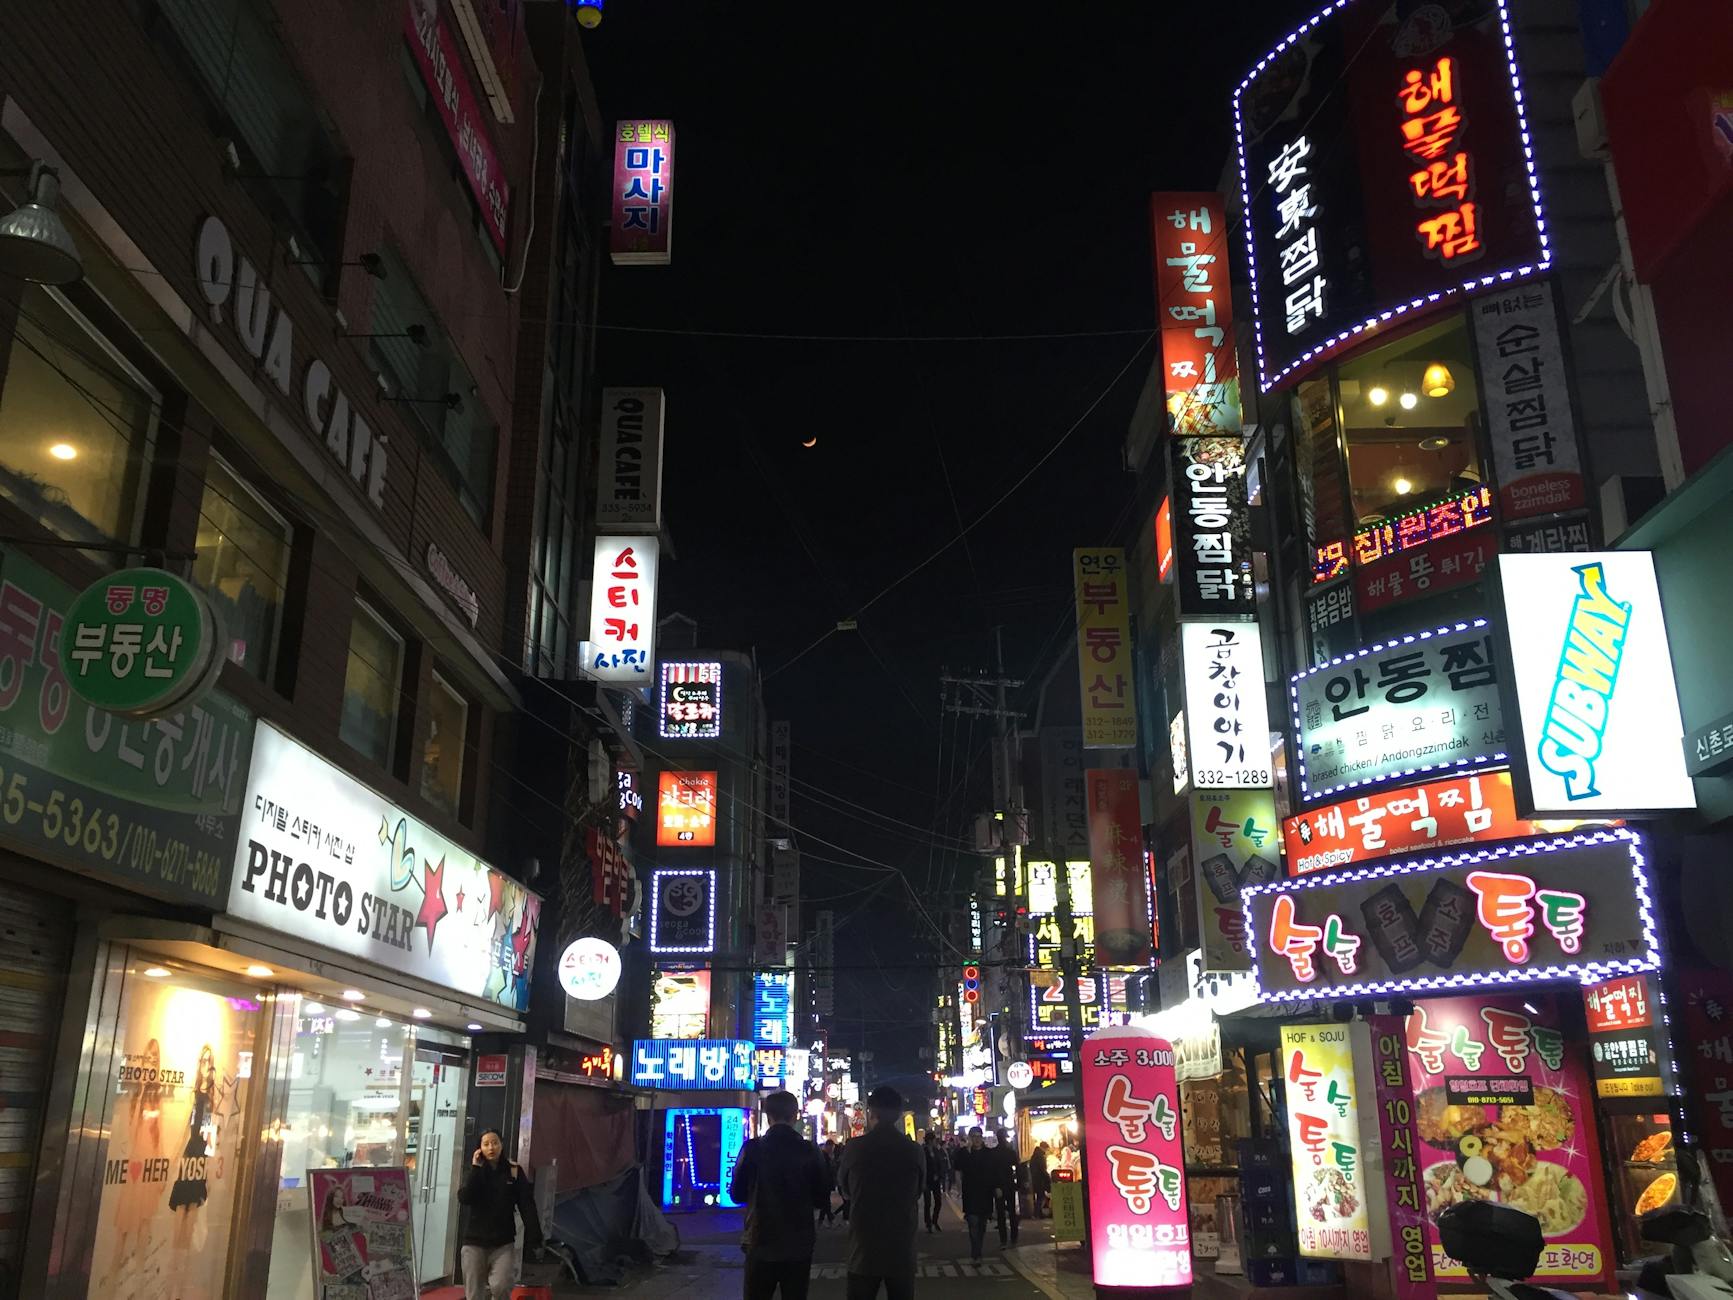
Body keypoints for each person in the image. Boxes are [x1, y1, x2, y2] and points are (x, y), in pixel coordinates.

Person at [730, 1090, 832, 1300]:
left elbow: (736, 1194)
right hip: (799, 1243)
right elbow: (822, 1197)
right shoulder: (809, 1150)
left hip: (760, 1240)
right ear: (795, 1115)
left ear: (768, 1116)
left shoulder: (752, 1148)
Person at [835, 1086, 924, 1300]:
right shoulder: (913, 1150)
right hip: (901, 1243)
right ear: (899, 1114)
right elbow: (918, 1190)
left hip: (864, 1243)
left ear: (870, 1112)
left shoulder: (855, 1148)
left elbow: (844, 1189)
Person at [457, 1129, 542, 1300]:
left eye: (495, 1143)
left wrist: (535, 1235)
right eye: (486, 1144)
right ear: (479, 1148)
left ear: (502, 1145)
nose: (491, 1148)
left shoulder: (514, 1171)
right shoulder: (474, 1172)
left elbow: (527, 1204)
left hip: (503, 1243)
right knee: (474, 1294)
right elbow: (465, 1198)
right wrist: (476, 1168)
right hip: (474, 1242)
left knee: (501, 1286)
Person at [990, 1127, 1020, 1248]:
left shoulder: (994, 1153)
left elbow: (991, 1172)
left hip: (999, 1187)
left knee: (1001, 1214)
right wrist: (1018, 1183)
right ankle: (1014, 1237)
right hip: (1010, 1185)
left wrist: (995, 1186)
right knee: (1012, 1212)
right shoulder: (1011, 1152)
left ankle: (1003, 1239)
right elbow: (1017, 1169)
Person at [921, 1131, 947, 1233]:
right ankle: (928, 1223)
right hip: (927, 1180)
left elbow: (940, 1163)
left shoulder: (937, 1151)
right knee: (927, 1203)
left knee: (938, 1202)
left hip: (936, 1180)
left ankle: (935, 1220)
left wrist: (940, 1175)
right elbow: (923, 1166)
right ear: (930, 1141)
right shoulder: (923, 1151)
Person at [1029, 1143, 1051, 1219]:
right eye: (1047, 1149)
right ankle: (1037, 1213)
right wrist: (1048, 1178)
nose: (1047, 1151)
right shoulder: (1040, 1156)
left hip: (1035, 1179)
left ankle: (1038, 1213)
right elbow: (1042, 1169)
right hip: (1039, 1180)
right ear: (1043, 1148)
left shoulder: (1035, 1155)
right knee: (1041, 1197)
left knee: (1040, 1197)